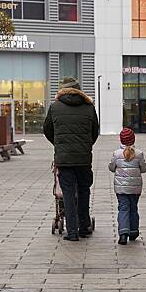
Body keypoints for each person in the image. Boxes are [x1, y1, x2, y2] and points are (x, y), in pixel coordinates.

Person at [44, 77, 99, 241]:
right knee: (84, 191)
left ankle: (72, 232)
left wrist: (60, 143)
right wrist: (86, 145)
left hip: (64, 159)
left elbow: (47, 130)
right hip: (83, 158)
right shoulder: (89, 107)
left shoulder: (55, 107)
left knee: (67, 194)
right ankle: (84, 227)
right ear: (79, 90)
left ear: (62, 90)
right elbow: (94, 131)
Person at [108, 128, 146, 245]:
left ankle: (123, 234)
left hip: (121, 188)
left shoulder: (117, 153)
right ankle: (134, 231)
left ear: (121, 140)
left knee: (123, 208)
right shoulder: (139, 154)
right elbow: (144, 168)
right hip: (135, 188)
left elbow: (111, 167)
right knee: (133, 208)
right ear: (133, 139)